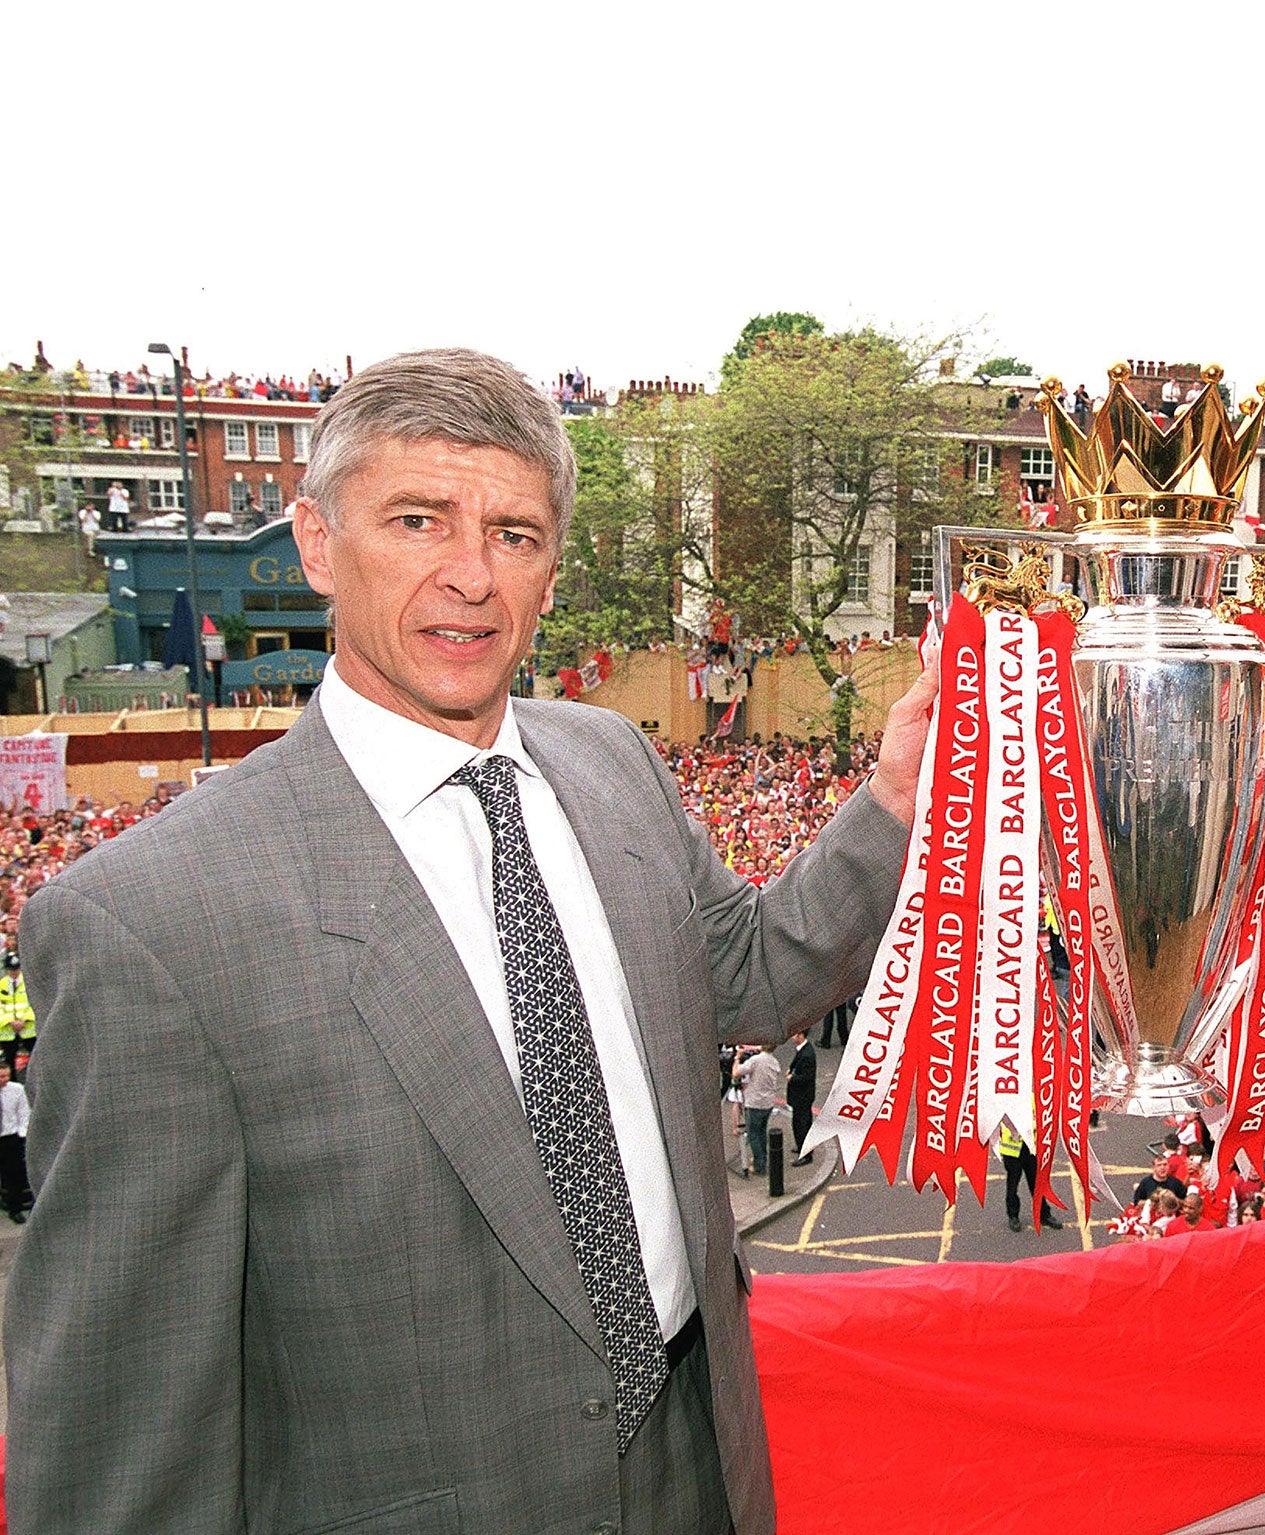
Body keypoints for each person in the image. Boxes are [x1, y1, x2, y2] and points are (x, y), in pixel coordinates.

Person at [8, 348, 937, 1534]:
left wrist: (895, 800)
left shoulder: (610, 761)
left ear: (551, 570)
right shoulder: (148, 922)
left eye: (514, 533)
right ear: (315, 544)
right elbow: (121, 1446)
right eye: (417, 519)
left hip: (700, 1467)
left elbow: (754, 972)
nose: (471, 577)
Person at [997, 1120, 1062, 1233]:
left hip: (1030, 1147)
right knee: (1012, 1186)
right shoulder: (1005, 1101)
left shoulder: (1032, 1101)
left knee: (1036, 1184)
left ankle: (1044, 1214)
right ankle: (1013, 1216)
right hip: (1011, 1150)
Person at [733, 1045, 783, 1178]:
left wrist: (737, 1057)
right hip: (768, 1103)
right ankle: (763, 1160)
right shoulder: (774, 1062)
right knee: (762, 1132)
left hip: (754, 1103)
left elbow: (736, 1073)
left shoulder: (755, 1061)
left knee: (753, 1135)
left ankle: (759, 1165)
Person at [0, 1058, 28, 1222]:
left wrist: (21, 1134)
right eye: (1, 1077)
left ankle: (14, 1208)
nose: (4, 1080)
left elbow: (23, 1112)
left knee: (13, 1174)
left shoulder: (17, 1090)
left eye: (6, 1076)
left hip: (10, 1136)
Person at [786, 1029, 817, 1166]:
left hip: (802, 1096)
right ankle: (801, 1147)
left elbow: (806, 1077)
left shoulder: (807, 1055)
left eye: (795, 1034)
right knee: (800, 1123)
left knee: (801, 1124)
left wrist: (792, 1077)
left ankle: (806, 1155)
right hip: (802, 1096)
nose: (793, 1037)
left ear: (801, 1035)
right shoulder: (803, 1050)